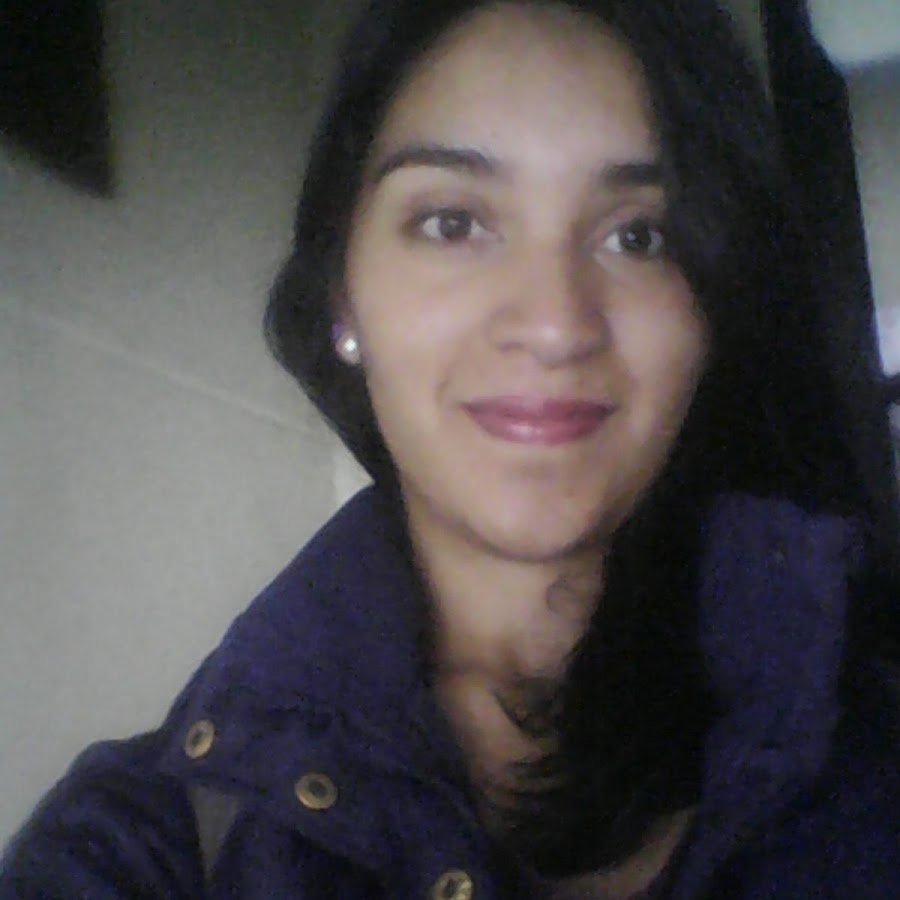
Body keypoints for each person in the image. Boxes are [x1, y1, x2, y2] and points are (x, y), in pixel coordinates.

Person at [3, 0, 899, 896]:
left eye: (638, 236)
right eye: (454, 222)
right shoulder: (144, 844)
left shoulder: (865, 728)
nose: (555, 324)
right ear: (343, 295)